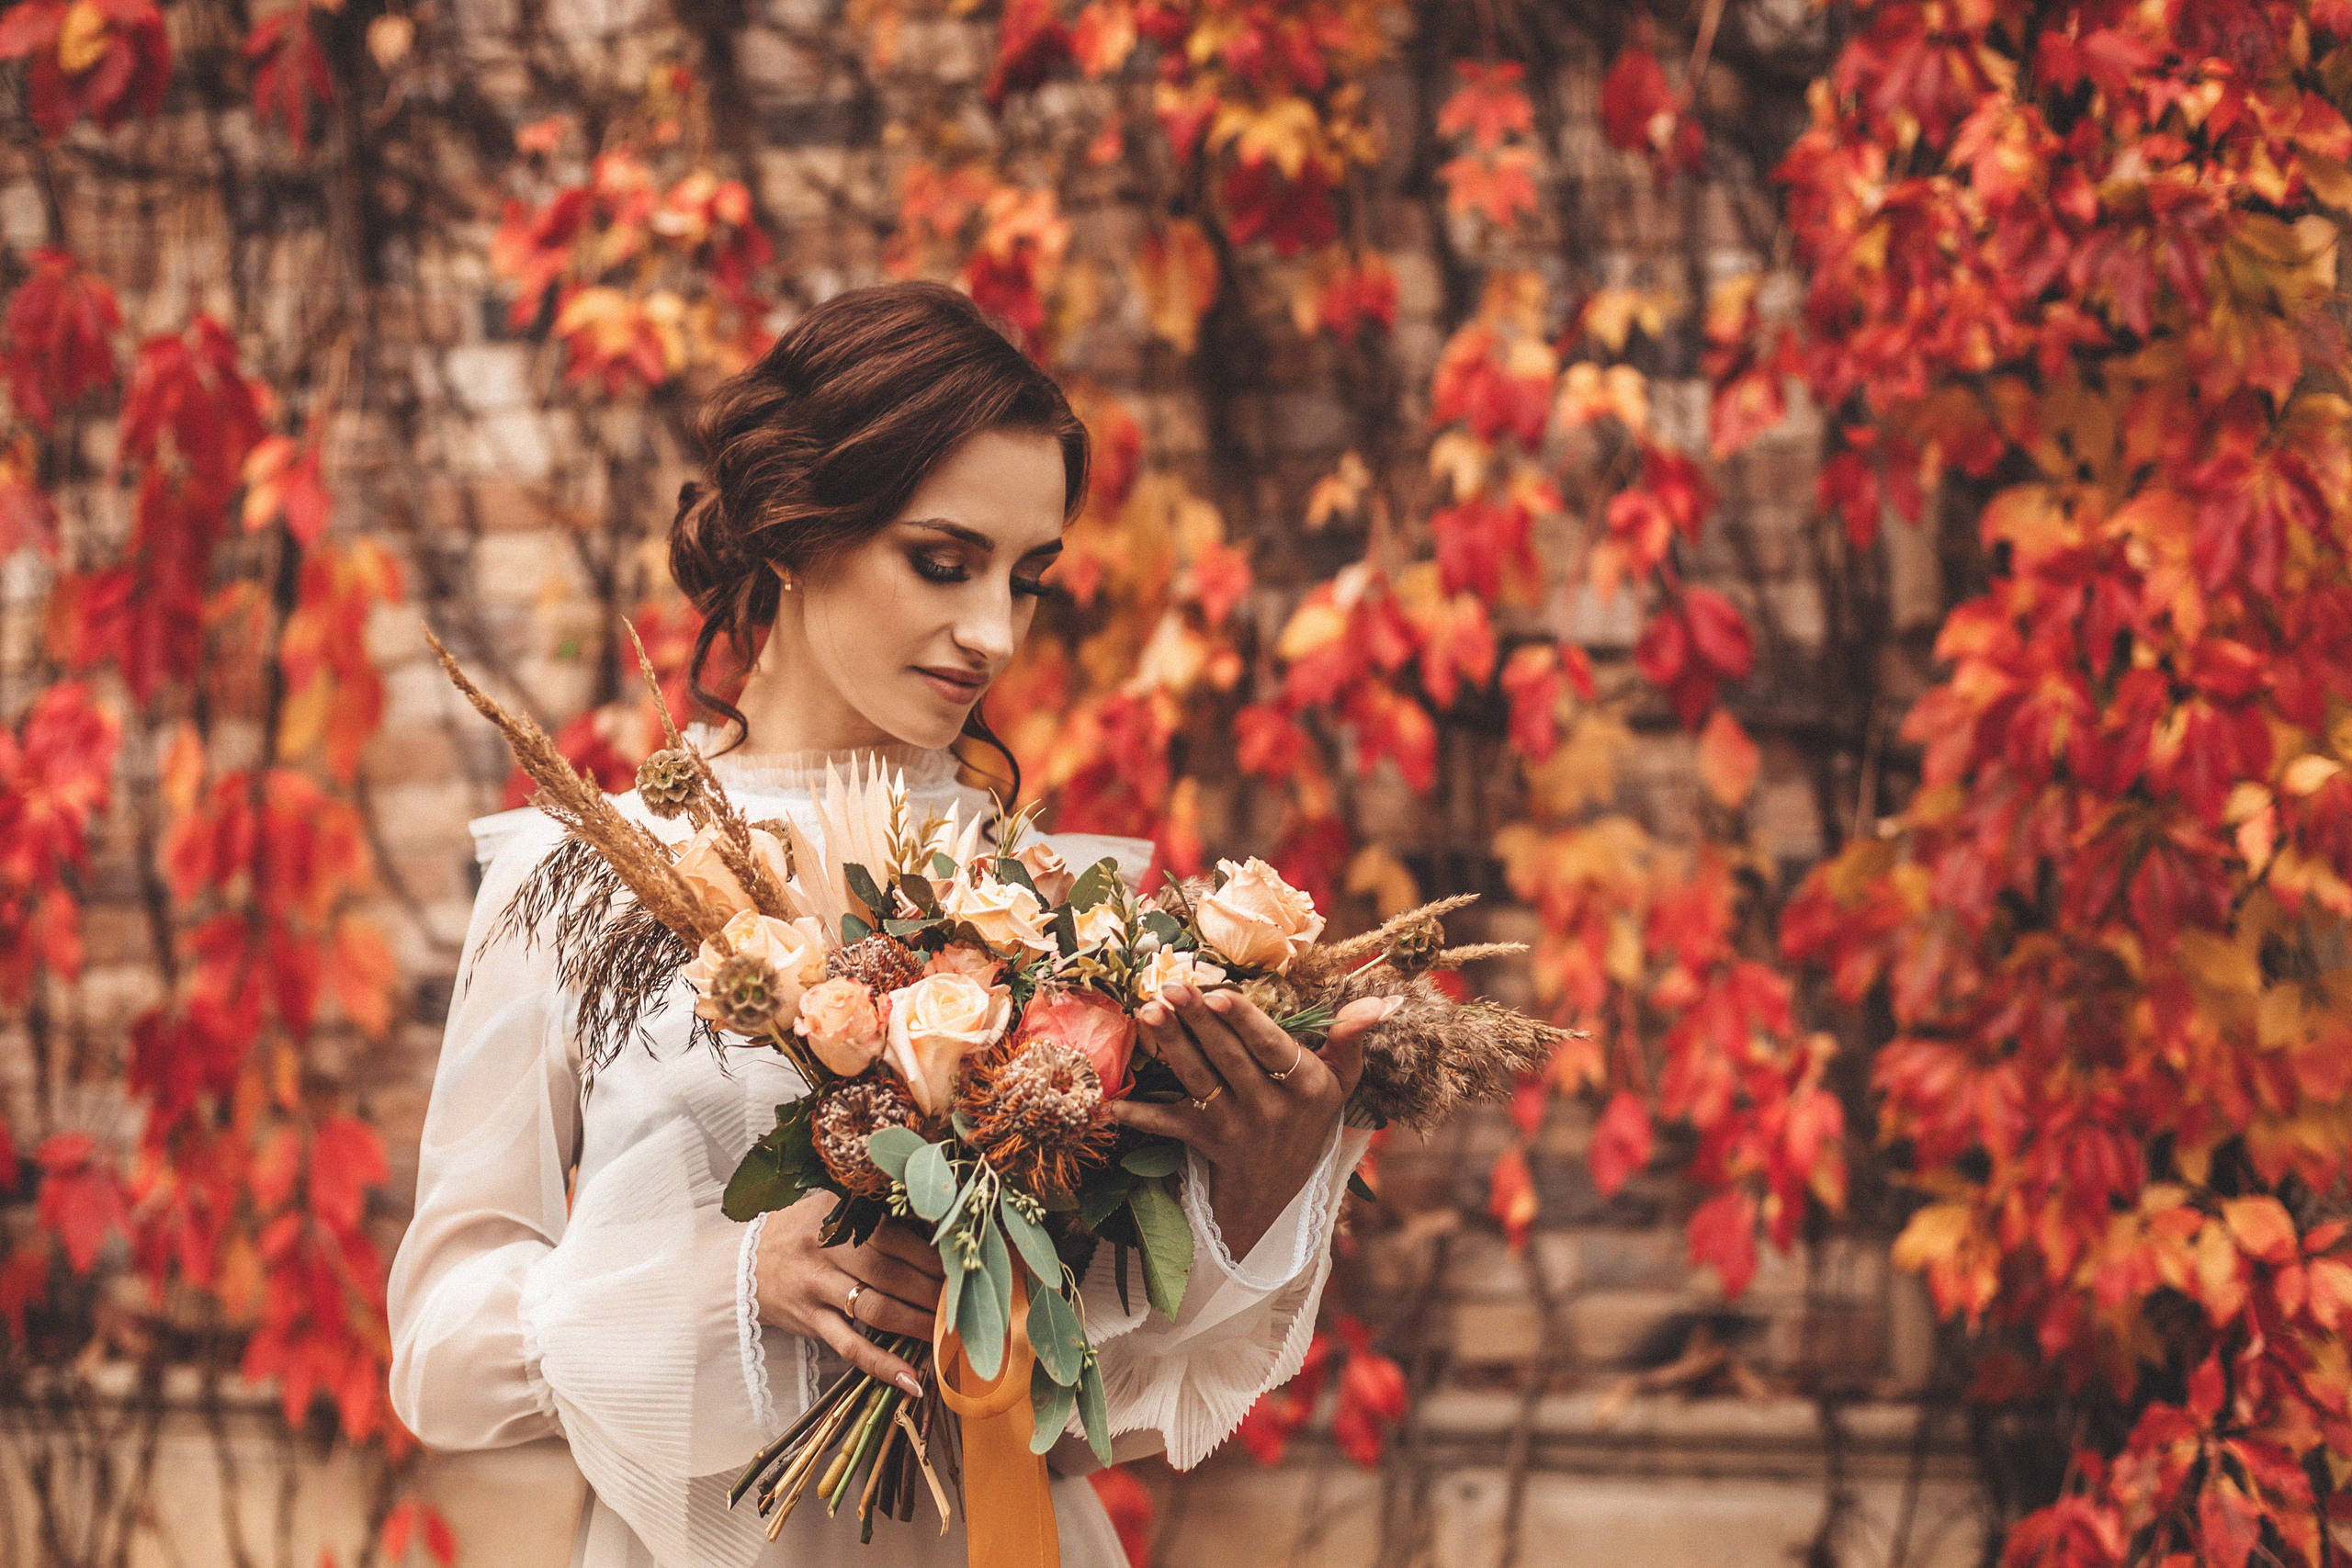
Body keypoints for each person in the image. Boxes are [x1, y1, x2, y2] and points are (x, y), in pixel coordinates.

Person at [387, 281, 1392, 1568]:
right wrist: (735, 1285)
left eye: (1026, 581)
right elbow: (443, 1362)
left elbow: (1088, 1412)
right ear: (797, 534)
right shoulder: (583, 886)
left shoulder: (1052, 907)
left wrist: (1257, 1192)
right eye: (942, 560)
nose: (991, 632)